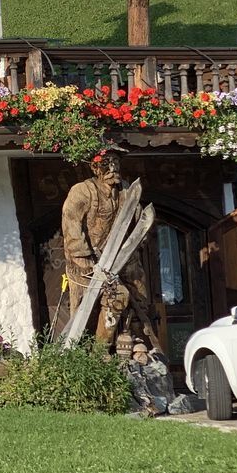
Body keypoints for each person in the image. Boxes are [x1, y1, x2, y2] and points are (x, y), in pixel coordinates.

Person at [61, 149, 159, 351]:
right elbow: (71, 224)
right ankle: (96, 348)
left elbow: (138, 224)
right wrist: (83, 258)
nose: (112, 167)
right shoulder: (83, 191)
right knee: (100, 301)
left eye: (115, 162)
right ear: (95, 167)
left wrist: (136, 244)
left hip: (122, 257)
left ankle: (136, 338)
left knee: (138, 294)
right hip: (89, 260)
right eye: (106, 163)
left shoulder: (127, 191)